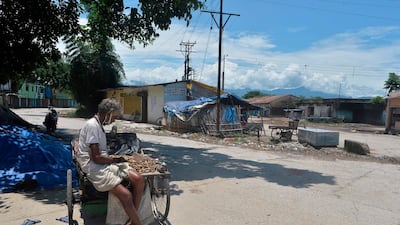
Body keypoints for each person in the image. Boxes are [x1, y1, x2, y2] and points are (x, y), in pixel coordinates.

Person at [76, 98, 144, 225]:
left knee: (138, 179)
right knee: (127, 196)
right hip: (94, 167)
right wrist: (116, 159)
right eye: (115, 117)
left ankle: (133, 219)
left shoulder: (99, 125)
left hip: (103, 163)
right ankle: (137, 223)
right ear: (108, 113)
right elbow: (96, 157)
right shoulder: (92, 126)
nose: (114, 120)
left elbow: (100, 155)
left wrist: (114, 160)